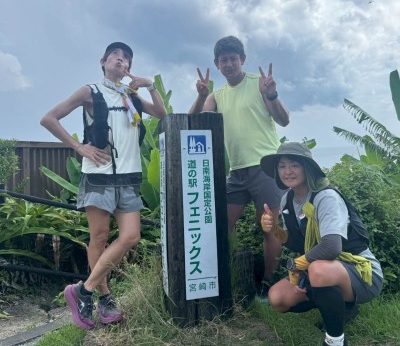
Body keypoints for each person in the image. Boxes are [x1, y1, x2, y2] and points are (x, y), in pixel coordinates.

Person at [40, 42, 167, 330]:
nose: (121, 60)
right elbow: (49, 118)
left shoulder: (131, 96)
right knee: (98, 238)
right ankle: (105, 298)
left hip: (129, 177)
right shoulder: (90, 91)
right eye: (115, 56)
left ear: (129, 67)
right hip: (98, 176)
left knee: (131, 236)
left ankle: (82, 291)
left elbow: (161, 114)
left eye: (126, 58)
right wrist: (79, 147)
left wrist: (150, 86)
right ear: (103, 62)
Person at [189, 36, 290, 288]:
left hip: (266, 166)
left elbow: (284, 120)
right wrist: (201, 97)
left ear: (242, 59)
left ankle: (268, 283)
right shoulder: (217, 96)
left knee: (269, 227)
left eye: (233, 58)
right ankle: (229, 274)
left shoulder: (259, 84)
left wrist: (272, 95)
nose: (229, 64)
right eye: (223, 60)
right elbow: (192, 123)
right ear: (217, 64)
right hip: (236, 172)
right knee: (222, 223)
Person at [260, 142, 383, 346]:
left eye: (294, 165)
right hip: (324, 269)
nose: (287, 171)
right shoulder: (287, 200)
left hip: (362, 272)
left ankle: (335, 340)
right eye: (282, 166)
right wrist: (274, 230)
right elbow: (297, 242)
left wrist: (297, 265)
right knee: (277, 298)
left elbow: (331, 247)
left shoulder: (326, 197)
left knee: (317, 269)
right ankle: (342, 308)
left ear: (307, 168)